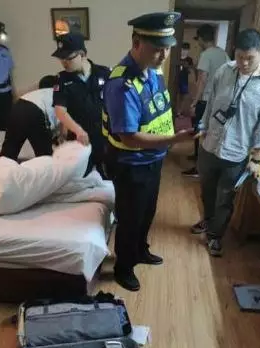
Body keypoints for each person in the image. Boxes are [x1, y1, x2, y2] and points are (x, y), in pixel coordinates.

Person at [103, 12, 201, 291]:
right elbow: (129, 136)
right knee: (130, 217)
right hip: (131, 161)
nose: (164, 55)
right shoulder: (122, 84)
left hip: (153, 157)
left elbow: (158, 111)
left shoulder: (154, 72)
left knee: (147, 211)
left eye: (167, 48)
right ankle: (124, 267)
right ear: (136, 43)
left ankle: (140, 250)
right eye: (157, 49)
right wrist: (173, 139)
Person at [191, 28, 260, 257]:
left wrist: (256, 158)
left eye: (249, 58)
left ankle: (215, 236)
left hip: (236, 152)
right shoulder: (224, 70)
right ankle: (208, 220)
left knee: (225, 198)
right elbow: (211, 101)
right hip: (210, 145)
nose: (243, 63)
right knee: (207, 191)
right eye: (240, 57)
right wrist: (203, 128)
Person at [52, 33, 110, 177]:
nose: (64, 63)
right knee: (80, 178)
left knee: (107, 176)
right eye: (61, 58)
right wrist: (78, 131)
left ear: (82, 54)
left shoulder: (104, 73)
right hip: (79, 138)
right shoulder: (62, 80)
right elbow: (60, 111)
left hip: (103, 135)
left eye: (68, 58)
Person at [182, 24, 229, 177]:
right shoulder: (223, 54)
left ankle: (198, 167)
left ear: (201, 39)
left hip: (205, 100)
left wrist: (194, 102)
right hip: (219, 101)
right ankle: (201, 162)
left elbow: (202, 80)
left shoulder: (206, 55)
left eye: (198, 40)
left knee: (199, 131)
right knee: (212, 133)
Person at [0, 75, 59, 161]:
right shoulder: (58, 94)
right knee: (44, 154)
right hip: (35, 111)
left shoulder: (36, 93)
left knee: (9, 150)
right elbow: (58, 125)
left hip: (18, 105)